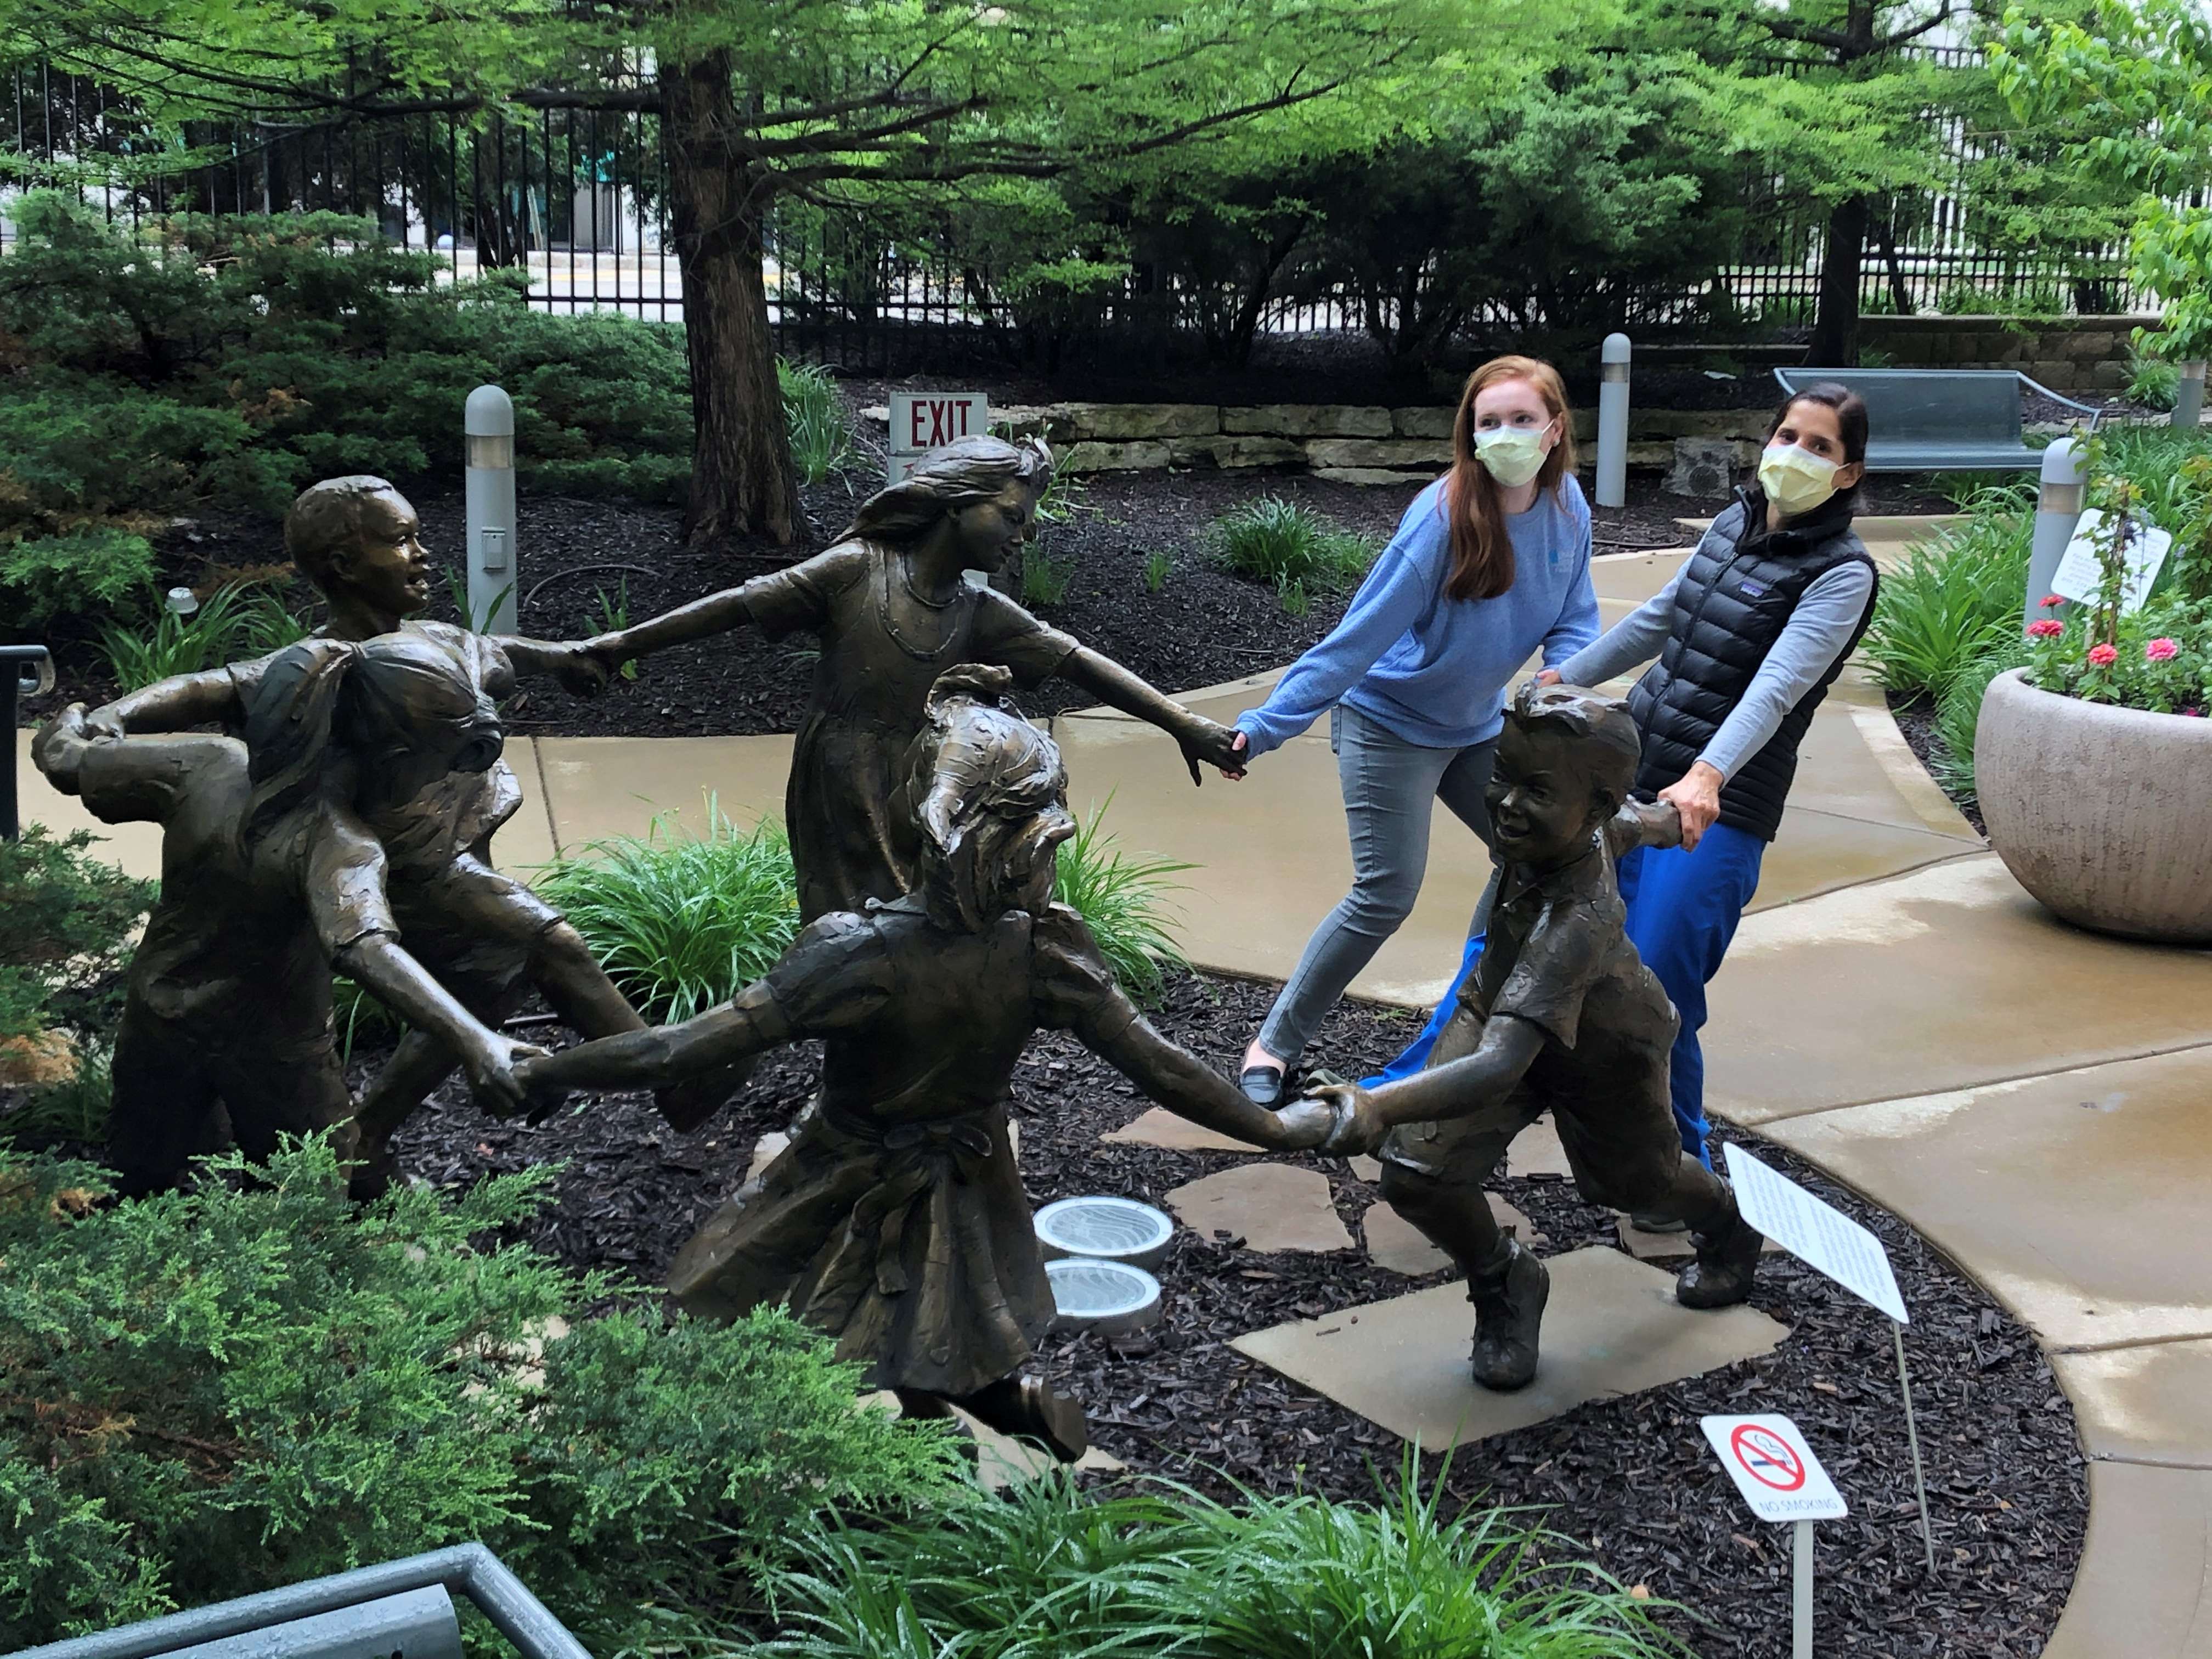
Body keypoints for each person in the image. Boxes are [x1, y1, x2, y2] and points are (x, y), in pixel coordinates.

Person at [514, 668, 1334, 1461]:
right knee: (938, 1326)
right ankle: (988, 1416)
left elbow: (675, 1051)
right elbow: (1163, 1068)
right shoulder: (1046, 952)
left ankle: (812, 1481)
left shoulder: (856, 955)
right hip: (967, 1178)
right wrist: (1273, 1126)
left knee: (749, 1314)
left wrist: (547, 1070)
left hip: (842, 1178)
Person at [74, 477, 718, 1185]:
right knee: (544, 944)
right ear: (345, 565)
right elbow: (209, 686)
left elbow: (484, 648)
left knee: (490, 976)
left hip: (438, 845)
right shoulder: (317, 678)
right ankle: (668, 1083)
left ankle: (379, 1125)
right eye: (401, 538)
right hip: (408, 868)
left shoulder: (431, 641)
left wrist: (558, 656)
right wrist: (120, 714)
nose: (422, 553)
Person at [1378, 383, 1878, 1197]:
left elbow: (1779, 687)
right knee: (1506, 941)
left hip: (1715, 808)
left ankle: (1683, 1176)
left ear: (1848, 473)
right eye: (1788, 434)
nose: (1795, 454)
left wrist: (1709, 776)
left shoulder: (1842, 574)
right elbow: (1662, 618)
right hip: (1632, 771)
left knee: (1661, 986)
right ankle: (1410, 1102)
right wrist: (1561, 682)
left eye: (1819, 447)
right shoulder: (1733, 524)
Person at [1302, 684, 1767, 1392]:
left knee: (1638, 1183)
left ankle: (1728, 1225)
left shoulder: (1577, 917)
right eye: (1502, 777)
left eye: (1536, 792)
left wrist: (1378, 1104)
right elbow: (1646, 821)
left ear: (1593, 807)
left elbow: (1498, 1067)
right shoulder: (1593, 826)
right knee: (1417, 1174)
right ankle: (1504, 1281)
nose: (1508, 804)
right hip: (1499, 1008)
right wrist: (1681, 817)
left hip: (1602, 1053)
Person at [582, 436, 1243, 922]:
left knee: (933, 930)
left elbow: (1077, 660)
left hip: (932, 782)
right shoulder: (855, 571)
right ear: (956, 505)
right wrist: (618, 644)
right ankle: (854, 1089)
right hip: (843, 781)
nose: (1025, 534)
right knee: (850, 935)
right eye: (1013, 516)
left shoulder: (978, 610)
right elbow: (736, 605)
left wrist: (1181, 724)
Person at [33, 636, 544, 1197]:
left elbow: (67, 762)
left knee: (140, 1177)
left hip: (161, 1016)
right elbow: (367, 947)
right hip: (277, 1052)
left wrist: (82, 724)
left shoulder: (203, 767)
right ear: (396, 763)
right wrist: (477, 1041)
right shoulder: (338, 845)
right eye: (441, 771)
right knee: (317, 1193)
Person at [1222, 356, 1601, 1107]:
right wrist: (1265, 726)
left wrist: (1562, 679)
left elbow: (1575, 615)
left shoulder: (1568, 510)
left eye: (1522, 420)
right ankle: (1272, 1046)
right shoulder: (1443, 515)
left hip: (1475, 725)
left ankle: (1484, 1020)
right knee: (1386, 893)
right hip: (1388, 723)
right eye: (1488, 422)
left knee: (1535, 855)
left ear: (1555, 431)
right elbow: (1357, 638)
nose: (1504, 435)